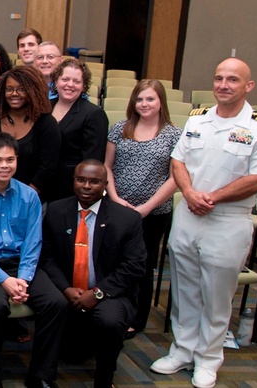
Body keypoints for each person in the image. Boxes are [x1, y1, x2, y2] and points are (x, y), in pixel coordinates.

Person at [151, 58, 257, 388]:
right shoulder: (198, 120)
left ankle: (208, 359)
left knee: (217, 295)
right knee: (184, 287)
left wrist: (212, 198)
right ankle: (182, 350)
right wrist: (189, 192)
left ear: (248, 86)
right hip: (190, 213)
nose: (223, 85)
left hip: (228, 220)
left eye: (232, 80)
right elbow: (178, 161)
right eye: (219, 78)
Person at [0, 132, 67, 388]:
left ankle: (40, 376)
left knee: (57, 303)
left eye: (10, 159)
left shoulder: (29, 197)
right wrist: (5, 280)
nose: (4, 165)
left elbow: (33, 242)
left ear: (17, 160)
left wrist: (24, 279)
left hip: (21, 265)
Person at [41, 160, 146, 388]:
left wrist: (98, 293)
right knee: (72, 354)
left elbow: (134, 266)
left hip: (110, 293)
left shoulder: (127, 219)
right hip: (69, 291)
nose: (86, 186)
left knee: (109, 321)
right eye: (81, 180)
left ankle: (104, 379)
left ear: (105, 184)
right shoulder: (56, 210)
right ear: (73, 181)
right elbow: (46, 258)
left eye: (94, 181)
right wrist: (65, 289)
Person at [104, 79, 181, 334]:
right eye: (140, 99)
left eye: (150, 99)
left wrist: (146, 208)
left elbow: (175, 177)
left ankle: (136, 319)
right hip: (117, 209)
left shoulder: (173, 134)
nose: (144, 104)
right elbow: (107, 166)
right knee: (114, 261)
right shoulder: (119, 129)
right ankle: (112, 309)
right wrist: (114, 198)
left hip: (154, 213)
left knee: (143, 265)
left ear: (161, 102)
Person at [0, 66, 60, 201]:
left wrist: (24, 197)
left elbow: (48, 167)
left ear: (33, 91)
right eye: (9, 89)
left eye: (21, 89)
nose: (14, 93)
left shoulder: (46, 123)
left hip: (32, 198)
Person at [50, 58, 108, 202]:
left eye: (76, 81)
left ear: (83, 86)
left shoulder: (93, 114)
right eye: (65, 79)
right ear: (56, 81)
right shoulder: (45, 108)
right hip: (43, 186)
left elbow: (93, 160)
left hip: (71, 190)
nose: (70, 85)